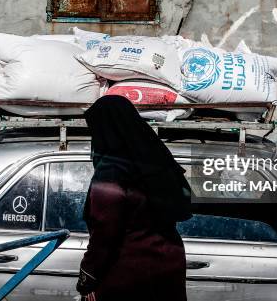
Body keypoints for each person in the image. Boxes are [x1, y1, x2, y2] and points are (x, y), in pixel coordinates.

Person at [77, 95, 192, 301]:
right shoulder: (157, 162)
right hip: (168, 266)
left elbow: (104, 234)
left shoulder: (111, 172)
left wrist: (88, 279)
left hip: (128, 273)